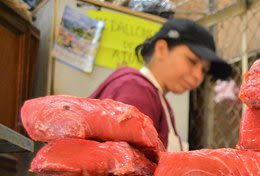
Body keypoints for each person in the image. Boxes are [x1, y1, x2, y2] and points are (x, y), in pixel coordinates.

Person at [90, 18, 232, 151]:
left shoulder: (156, 97)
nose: (198, 76)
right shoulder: (135, 89)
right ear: (161, 49)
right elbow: (123, 168)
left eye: (204, 70)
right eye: (192, 61)